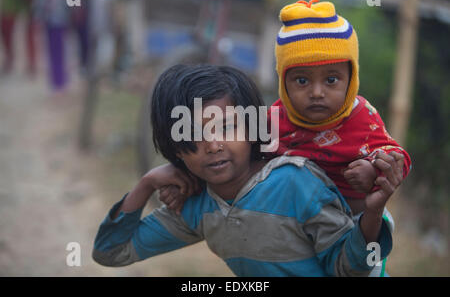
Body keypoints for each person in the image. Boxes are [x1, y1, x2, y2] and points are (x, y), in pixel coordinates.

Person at [92, 64, 401, 276]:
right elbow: (110, 252)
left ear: (253, 129)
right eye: (193, 135)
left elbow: (348, 268)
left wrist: (372, 216)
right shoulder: (200, 205)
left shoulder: (295, 182)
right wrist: (147, 183)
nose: (213, 146)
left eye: (227, 128)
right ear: (174, 148)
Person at [269, 0, 412, 215]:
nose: (317, 92)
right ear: (283, 83)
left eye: (331, 80)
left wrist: (373, 170)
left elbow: (398, 157)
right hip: (289, 221)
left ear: (351, 80)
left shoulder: (362, 117)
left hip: (347, 222)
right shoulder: (272, 119)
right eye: (301, 81)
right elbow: (237, 153)